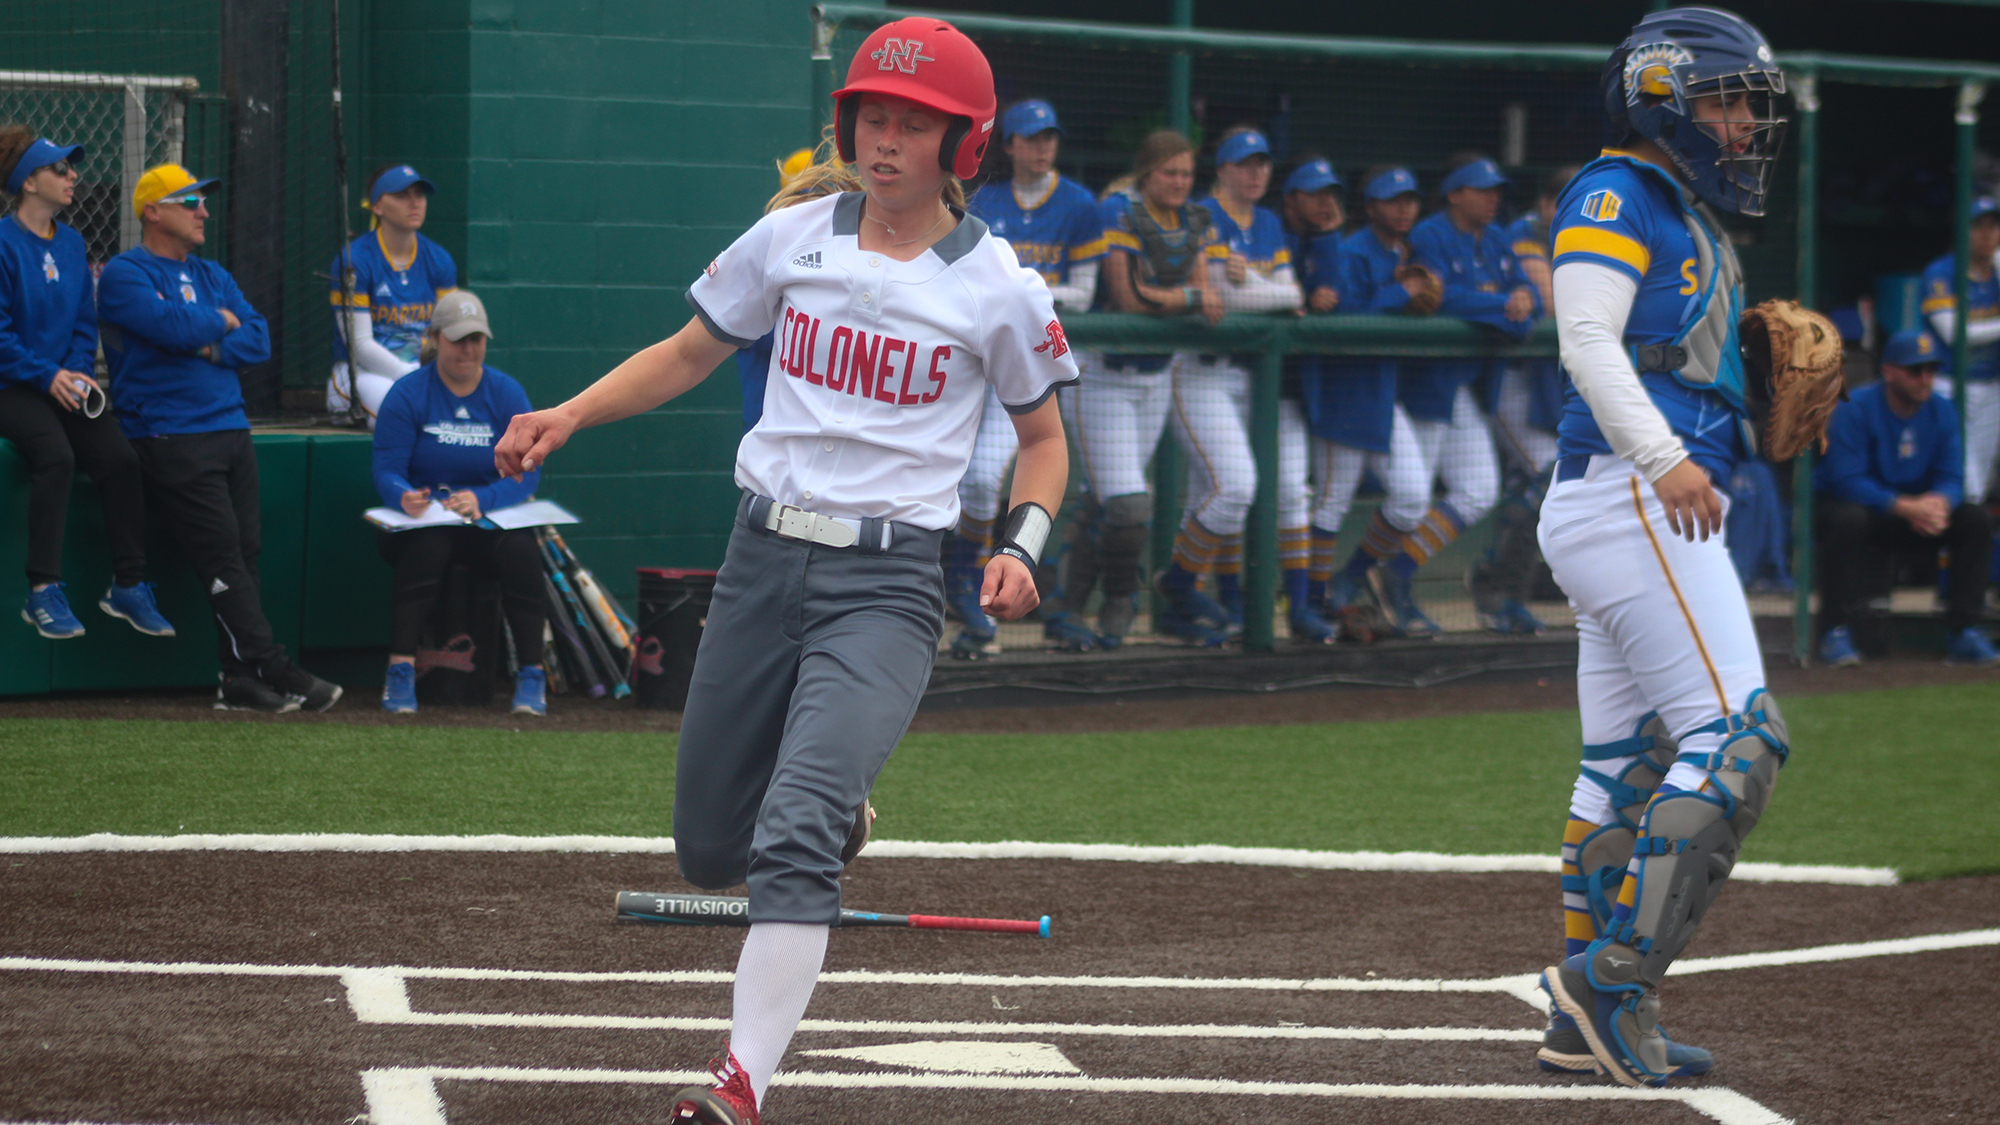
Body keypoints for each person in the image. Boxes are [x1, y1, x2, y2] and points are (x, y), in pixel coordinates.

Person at [493, 18, 1075, 1124]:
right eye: (872, 118)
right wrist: (566, 414)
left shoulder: (999, 287)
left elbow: (1043, 444)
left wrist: (1018, 546)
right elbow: (686, 352)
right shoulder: (791, 238)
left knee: (793, 835)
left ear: (965, 144)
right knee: (711, 851)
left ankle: (739, 1083)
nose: (886, 140)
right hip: (758, 563)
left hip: (890, 583)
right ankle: (837, 810)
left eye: (914, 125)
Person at [1536, 7, 1791, 1087]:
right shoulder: (1613, 190)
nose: (1740, 124)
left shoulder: (1676, 207)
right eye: (1726, 100)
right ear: (1662, 97)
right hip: (1636, 497)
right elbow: (1584, 338)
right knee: (1739, 738)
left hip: (1624, 504)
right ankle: (1608, 981)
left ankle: (1577, 1020)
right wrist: (1663, 457)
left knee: (1620, 769)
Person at [98, 164, 343, 713]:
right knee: (223, 557)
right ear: (153, 212)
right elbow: (169, 328)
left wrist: (209, 338)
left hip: (230, 427)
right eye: (190, 202)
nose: (203, 211)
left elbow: (256, 339)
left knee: (245, 554)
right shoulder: (124, 273)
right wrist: (215, 324)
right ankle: (274, 665)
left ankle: (237, 680)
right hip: (169, 434)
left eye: (203, 202)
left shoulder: (211, 275)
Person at [1043, 129, 1222, 652]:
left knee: (1108, 502)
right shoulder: (1117, 210)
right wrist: (1187, 296)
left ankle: (1065, 609)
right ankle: (1121, 598)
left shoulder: (1193, 217)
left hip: (1157, 376)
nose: (1179, 183)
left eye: (1187, 174)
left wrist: (1176, 295)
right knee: (1128, 506)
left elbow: (1203, 291)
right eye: (1169, 173)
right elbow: (1126, 297)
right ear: (1147, 173)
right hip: (1101, 373)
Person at [0, 127, 173, 640]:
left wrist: (74, 372)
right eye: (60, 169)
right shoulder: (3, 243)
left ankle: (128, 585)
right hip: (11, 386)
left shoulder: (72, 243)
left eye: (71, 167)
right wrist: (47, 374)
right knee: (56, 457)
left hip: (61, 382)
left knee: (121, 460)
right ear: (28, 183)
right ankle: (42, 592)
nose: (72, 175)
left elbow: (83, 321)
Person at [957, 98, 1103, 658]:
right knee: (970, 482)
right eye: (1031, 137)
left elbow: (1085, 296)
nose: (1042, 147)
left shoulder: (1080, 203)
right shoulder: (983, 197)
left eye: (1050, 137)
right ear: (1010, 144)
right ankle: (964, 583)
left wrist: (1020, 293)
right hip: (979, 362)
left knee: (1007, 477)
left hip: (1041, 364)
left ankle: (991, 583)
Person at [1148, 126, 1301, 645]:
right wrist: (1268, 293)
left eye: (1263, 163)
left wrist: (1256, 285)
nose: (1256, 172)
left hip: (1249, 376)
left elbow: (1292, 295)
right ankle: (1179, 584)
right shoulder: (1200, 215)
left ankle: (1194, 609)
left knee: (1210, 497)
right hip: (1199, 369)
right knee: (1235, 486)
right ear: (1224, 169)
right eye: (1245, 163)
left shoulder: (1271, 222)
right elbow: (1222, 301)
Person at [372, 290, 551, 715]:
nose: (468, 349)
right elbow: (385, 470)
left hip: (483, 523)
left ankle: (531, 676)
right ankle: (400, 672)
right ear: (435, 338)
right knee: (428, 547)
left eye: (476, 339)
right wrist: (405, 496)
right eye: (457, 339)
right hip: (423, 525)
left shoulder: (506, 394)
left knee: (524, 550)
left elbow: (527, 472)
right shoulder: (407, 394)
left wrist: (483, 499)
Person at [1385, 154, 1534, 636]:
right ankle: (1379, 584)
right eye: (1482, 189)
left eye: (1497, 190)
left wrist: (1520, 303)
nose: (1493, 198)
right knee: (1411, 493)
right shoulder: (1429, 234)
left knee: (1478, 490)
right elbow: (1440, 296)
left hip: (1465, 387)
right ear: (1454, 194)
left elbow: (1526, 296)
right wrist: (1501, 304)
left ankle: (1395, 572)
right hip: (1425, 385)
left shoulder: (1495, 238)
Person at [1813, 328, 1997, 666]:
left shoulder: (1941, 409)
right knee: (1845, 519)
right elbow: (1846, 480)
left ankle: (1964, 631)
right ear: (1889, 372)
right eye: (1915, 370)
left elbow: (1952, 476)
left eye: (1931, 370)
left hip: (1916, 514)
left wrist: (1941, 503)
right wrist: (1903, 506)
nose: (1925, 378)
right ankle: (1835, 631)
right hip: (1870, 512)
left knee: (1974, 519)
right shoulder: (1857, 407)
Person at [1309, 166, 1436, 634]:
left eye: (1411, 200)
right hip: (1345, 391)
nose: (1404, 208)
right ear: (1371, 207)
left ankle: (1352, 576)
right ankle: (1313, 599)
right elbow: (1344, 315)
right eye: (1393, 199)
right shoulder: (1352, 249)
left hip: (1382, 391)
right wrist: (1399, 292)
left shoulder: (1405, 252)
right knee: (1331, 502)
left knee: (1412, 496)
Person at [1472, 163, 1580, 635]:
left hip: (1550, 385)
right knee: (1547, 475)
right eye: (1567, 202)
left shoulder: (1592, 237)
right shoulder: (1524, 233)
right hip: (1510, 380)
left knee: (1534, 484)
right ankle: (1496, 583)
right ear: (1546, 205)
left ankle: (1501, 589)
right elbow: (1551, 300)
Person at [1275, 155, 1347, 644]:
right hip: (1232, 378)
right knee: (1228, 493)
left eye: (1330, 193)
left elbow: (1337, 291)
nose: (1325, 203)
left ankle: (1299, 605)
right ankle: (1231, 598)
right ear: (1292, 198)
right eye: (1314, 194)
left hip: (1290, 392)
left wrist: (1328, 236)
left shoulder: (1324, 240)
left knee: (1290, 492)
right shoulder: (1269, 231)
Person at [327, 163, 458, 427]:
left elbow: (449, 334)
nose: (414, 203)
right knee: (406, 415)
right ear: (377, 206)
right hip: (359, 374)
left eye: (419, 195)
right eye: (401, 196)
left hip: (420, 373)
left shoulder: (439, 260)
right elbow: (360, 346)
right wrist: (413, 378)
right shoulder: (355, 260)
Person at [1920, 194, 2000, 503]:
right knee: (1963, 476)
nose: (1987, 235)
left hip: (1991, 385)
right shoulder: (1941, 272)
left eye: (1993, 227)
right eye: (1977, 226)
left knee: (1981, 478)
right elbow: (1954, 334)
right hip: (1948, 384)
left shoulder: (1996, 273)